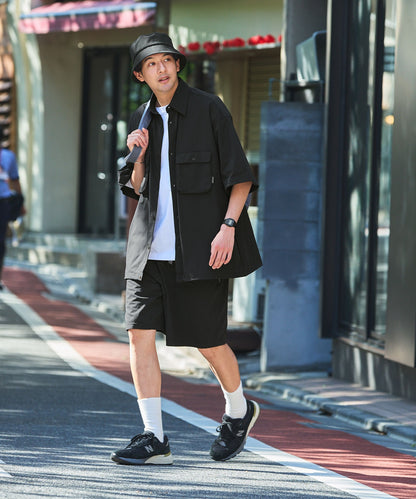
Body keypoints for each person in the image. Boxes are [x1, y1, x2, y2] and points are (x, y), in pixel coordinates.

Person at [111, 32, 262, 465]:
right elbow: (135, 188)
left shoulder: (209, 108)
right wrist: (138, 156)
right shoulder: (141, 118)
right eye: (151, 64)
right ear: (140, 75)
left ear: (178, 65)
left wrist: (228, 227)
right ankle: (154, 436)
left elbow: (240, 176)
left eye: (167, 60)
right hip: (147, 251)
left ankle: (238, 411)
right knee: (138, 334)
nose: (161, 68)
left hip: (198, 250)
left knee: (209, 342)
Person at [0, 126, 24, 290]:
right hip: (3, 202)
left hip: (3, 201)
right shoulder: (9, 156)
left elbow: (14, 180)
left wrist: (21, 203)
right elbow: (15, 181)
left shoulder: (8, 157)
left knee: (1, 240)